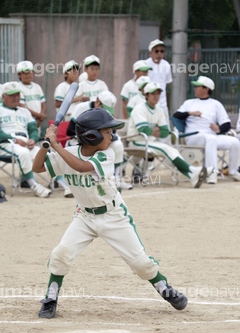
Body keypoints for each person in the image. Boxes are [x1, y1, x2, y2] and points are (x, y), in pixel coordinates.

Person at [33, 108, 188, 319]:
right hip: (84, 217)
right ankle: (50, 299)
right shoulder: (68, 152)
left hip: (113, 215)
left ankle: (165, 288)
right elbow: (37, 167)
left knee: (141, 263)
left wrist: (56, 145)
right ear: (91, 136)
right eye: (107, 132)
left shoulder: (106, 154)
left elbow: (81, 167)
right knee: (61, 255)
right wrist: (46, 144)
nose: (112, 136)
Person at [127, 81, 212, 188]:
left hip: (150, 142)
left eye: (158, 93)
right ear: (146, 95)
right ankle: (194, 171)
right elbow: (144, 130)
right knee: (166, 149)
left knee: (172, 150)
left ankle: (192, 175)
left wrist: (154, 130)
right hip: (137, 141)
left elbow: (164, 132)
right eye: (153, 93)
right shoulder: (139, 109)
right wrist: (155, 130)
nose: (156, 96)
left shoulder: (159, 110)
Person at [173, 76, 240, 184]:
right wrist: (191, 113)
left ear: (206, 89)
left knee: (235, 142)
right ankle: (212, 172)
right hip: (194, 136)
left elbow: (226, 123)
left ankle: (233, 171)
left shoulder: (216, 104)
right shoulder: (189, 103)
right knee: (211, 139)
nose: (194, 88)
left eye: (197, 87)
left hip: (212, 136)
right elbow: (176, 115)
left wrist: (219, 129)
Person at [67, 90, 132, 190]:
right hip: (81, 142)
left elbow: (113, 131)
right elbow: (70, 130)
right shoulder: (81, 108)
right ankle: (70, 186)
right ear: (97, 102)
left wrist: (108, 136)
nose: (106, 111)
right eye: (104, 107)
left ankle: (115, 178)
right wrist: (89, 135)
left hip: (100, 143)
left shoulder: (105, 113)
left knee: (118, 145)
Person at [0, 82, 51, 198]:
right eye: (12, 95)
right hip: (7, 143)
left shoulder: (25, 111)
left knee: (45, 153)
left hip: (26, 142)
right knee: (23, 153)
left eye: (17, 94)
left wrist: (33, 139)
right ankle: (33, 184)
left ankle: (61, 183)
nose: (16, 97)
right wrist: (14, 139)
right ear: (3, 96)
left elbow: (33, 128)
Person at [145, 39, 172, 142]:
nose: (159, 53)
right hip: (148, 105)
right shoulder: (145, 65)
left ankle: (167, 155)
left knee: (165, 134)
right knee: (149, 133)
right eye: (156, 51)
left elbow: (167, 84)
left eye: (162, 51)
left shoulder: (166, 65)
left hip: (162, 104)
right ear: (151, 52)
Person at [16, 61, 47, 135]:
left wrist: (40, 118)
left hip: (38, 120)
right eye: (24, 73)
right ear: (19, 75)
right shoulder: (18, 87)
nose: (28, 75)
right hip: (26, 121)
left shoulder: (37, 86)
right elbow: (22, 106)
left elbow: (43, 104)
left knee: (37, 140)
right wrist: (40, 116)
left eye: (30, 72)